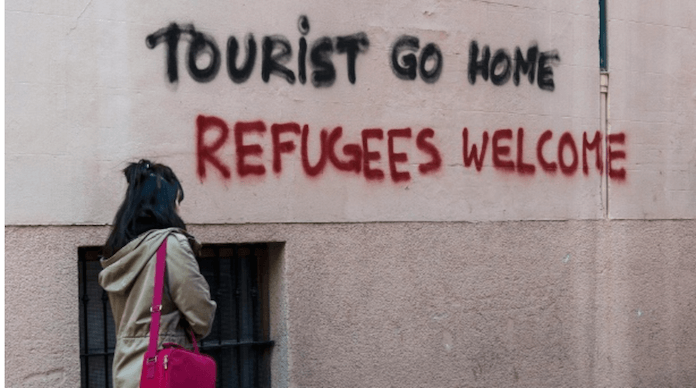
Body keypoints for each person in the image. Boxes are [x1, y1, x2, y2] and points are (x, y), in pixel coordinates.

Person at [98, 159, 216, 388]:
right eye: (176, 201)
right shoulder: (171, 245)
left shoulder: (118, 249)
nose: (179, 209)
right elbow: (201, 315)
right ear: (165, 203)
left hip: (128, 370)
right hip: (164, 370)